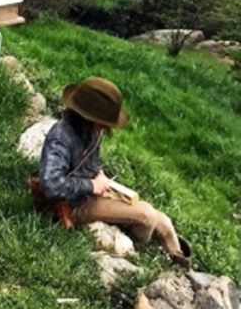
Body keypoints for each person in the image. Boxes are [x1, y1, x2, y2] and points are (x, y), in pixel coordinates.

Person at [38, 76, 192, 267]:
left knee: (165, 223)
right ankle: (137, 244)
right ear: (89, 116)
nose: (106, 127)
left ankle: (180, 265)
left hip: (90, 192)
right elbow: (51, 185)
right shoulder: (61, 137)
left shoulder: (93, 131)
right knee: (147, 216)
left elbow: (90, 162)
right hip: (72, 204)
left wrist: (99, 175)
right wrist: (92, 185)